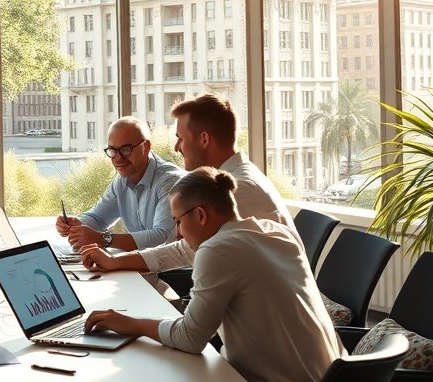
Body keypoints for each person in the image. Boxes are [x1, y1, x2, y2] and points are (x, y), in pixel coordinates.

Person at [84, 167, 341, 382]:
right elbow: (183, 249)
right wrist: (116, 262)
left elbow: (190, 338)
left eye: (178, 222)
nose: (178, 232)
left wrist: (131, 324)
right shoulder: (273, 231)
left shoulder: (218, 250)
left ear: (201, 215)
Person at [79, 93, 296, 275]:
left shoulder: (239, 189)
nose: (176, 147)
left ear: (204, 139)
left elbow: (184, 251)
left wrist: (115, 259)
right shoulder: (230, 180)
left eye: (180, 138)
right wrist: (115, 261)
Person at [55, 117, 182, 252]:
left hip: (173, 269)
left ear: (146, 147)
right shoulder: (122, 180)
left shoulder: (171, 182)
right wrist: (76, 225)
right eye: (112, 150)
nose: (118, 158)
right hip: (145, 264)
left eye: (126, 149)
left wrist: (103, 239)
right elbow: (98, 219)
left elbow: (161, 238)